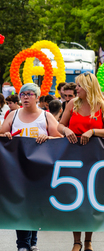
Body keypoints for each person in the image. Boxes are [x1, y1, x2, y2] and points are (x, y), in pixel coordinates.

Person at [57, 72, 104, 251]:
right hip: (73, 158)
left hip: (95, 159)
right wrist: (65, 130)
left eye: (79, 86)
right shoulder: (72, 103)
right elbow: (60, 124)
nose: (76, 89)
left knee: (91, 199)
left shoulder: (103, 105)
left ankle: (88, 240)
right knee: (75, 199)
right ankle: (76, 241)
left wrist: (93, 132)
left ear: (88, 87)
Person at [0, 83, 62, 251]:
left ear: (37, 97)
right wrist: (5, 134)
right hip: (17, 168)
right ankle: (23, 245)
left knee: (34, 205)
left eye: (29, 94)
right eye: (23, 94)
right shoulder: (13, 115)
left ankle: (32, 240)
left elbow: (60, 138)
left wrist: (48, 138)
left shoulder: (46, 116)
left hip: (39, 169)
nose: (25, 97)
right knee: (21, 205)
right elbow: (1, 134)